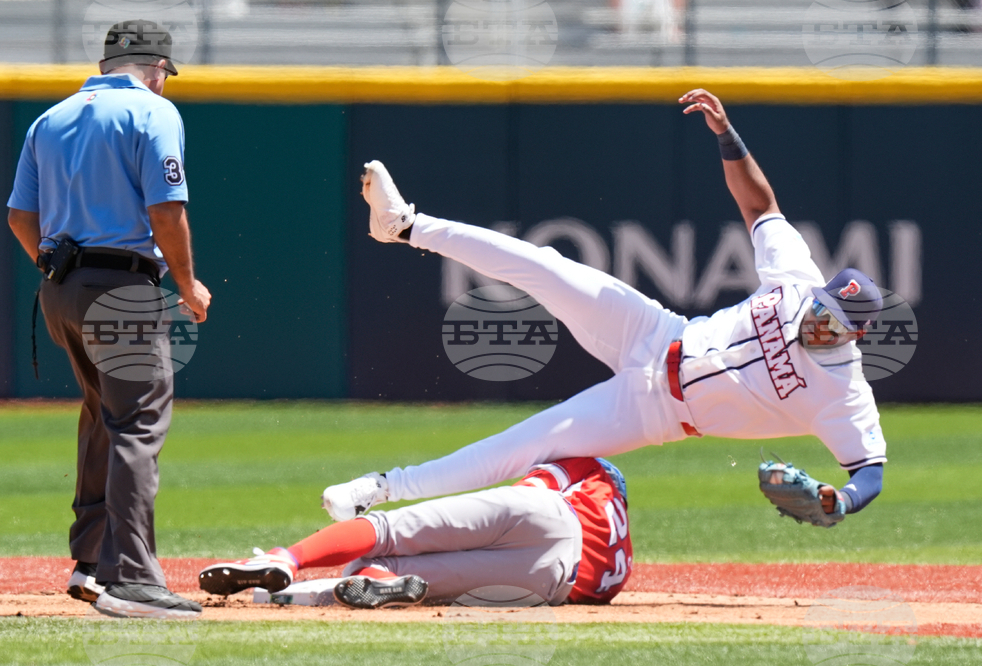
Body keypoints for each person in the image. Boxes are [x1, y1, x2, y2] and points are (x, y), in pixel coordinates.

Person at [323, 88, 886, 527]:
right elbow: (761, 205)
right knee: (543, 265)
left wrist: (842, 501)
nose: (818, 317)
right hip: (655, 330)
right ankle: (403, 225)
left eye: (832, 321)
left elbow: (871, 472)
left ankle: (379, 488)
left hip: (656, 412)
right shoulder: (799, 279)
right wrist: (727, 134)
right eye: (822, 305)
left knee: (521, 447)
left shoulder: (843, 394)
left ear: (853, 336)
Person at [6, 20, 211, 619]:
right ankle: (132, 580)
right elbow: (165, 209)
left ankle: (89, 561)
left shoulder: (51, 117)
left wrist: (55, 265)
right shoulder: (152, 112)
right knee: (138, 423)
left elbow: (21, 217)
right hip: (123, 285)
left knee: (102, 414)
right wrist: (186, 281)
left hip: (60, 289)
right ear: (157, 70)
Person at [198, 457, 632, 608]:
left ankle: (283, 558)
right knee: (383, 571)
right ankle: (382, 582)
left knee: (388, 530)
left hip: (549, 513)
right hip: (557, 581)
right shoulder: (624, 563)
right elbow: (587, 596)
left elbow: (531, 494)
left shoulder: (595, 472)